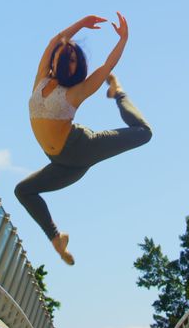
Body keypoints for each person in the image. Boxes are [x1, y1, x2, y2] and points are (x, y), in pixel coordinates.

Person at [14, 13, 152, 265]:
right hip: (62, 164)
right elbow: (55, 41)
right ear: (58, 57)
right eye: (68, 55)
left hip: (81, 148)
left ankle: (118, 93)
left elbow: (107, 66)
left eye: (76, 60)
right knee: (23, 191)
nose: (71, 61)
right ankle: (57, 239)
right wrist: (82, 23)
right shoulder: (41, 77)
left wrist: (123, 39)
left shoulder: (76, 92)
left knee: (144, 133)